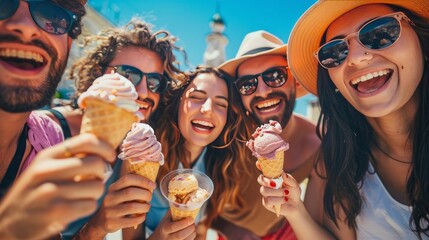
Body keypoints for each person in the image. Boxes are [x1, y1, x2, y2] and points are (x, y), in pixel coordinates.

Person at [259, 0, 429, 239]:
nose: (356, 58)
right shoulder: (335, 160)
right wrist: (295, 211)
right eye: (335, 52)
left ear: (422, 42)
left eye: (380, 32)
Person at [40, 19, 188, 239]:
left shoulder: (134, 149)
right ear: (99, 73)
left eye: (154, 82)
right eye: (127, 74)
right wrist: (96, 228)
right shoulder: (45, 133)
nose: (143, 91)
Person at [0, 0, 118, 239]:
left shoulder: (49, 137)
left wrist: (96, 228)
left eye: (51, 16)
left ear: (68, 44)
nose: (25, 26)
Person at [214, 30, 321, 239]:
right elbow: (200, 192)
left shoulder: (318, 144)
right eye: (247, 84)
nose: (262, 91)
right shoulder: (226, 136)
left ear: (295, 80)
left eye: (275, 76)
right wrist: (232, 230)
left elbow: (316, 221)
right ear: (239, 97)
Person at [123, 66, 247, 239]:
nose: (208, 109)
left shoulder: (219, 169)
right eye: (196, 97)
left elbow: (201, 230)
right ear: (178, 103)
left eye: (221, 104)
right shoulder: (143, 153)